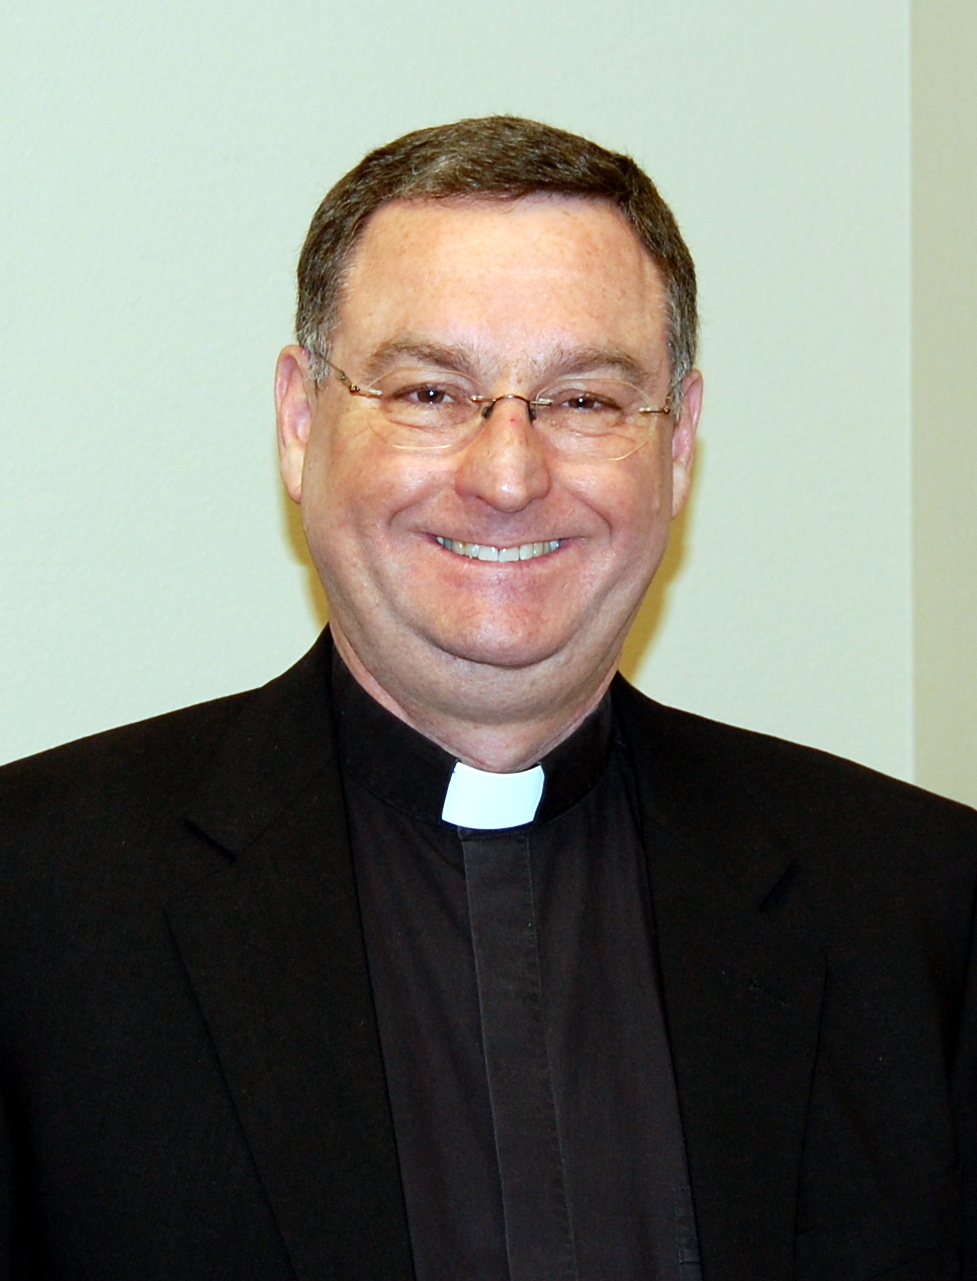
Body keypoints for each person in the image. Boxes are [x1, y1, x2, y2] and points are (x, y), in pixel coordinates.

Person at [0, 116, 974, 1281]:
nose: (507, 474)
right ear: (300, 424)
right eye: (427, 391)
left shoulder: (923, 912)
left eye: (582, 401)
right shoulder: (33, 905)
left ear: (677, 447)